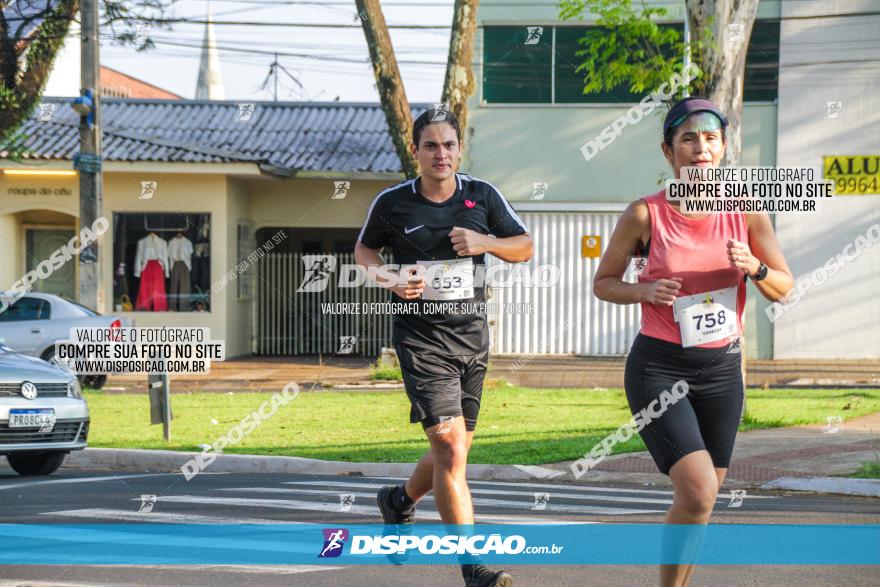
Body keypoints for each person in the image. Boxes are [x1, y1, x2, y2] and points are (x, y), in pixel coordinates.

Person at [593, 96, 794, 587]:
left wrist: (757, 268)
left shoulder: (747, 214)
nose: (700, 147)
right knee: (700, 491)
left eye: (709, 138)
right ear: (669, 152)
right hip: (659, 369)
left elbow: (784, 286)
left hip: (722, 371)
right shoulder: (645, 214)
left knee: (699, 500)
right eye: (688, 138)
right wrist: (643, 290)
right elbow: (604, 282)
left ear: (723, 147)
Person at [355, 107, 533, 587]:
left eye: (448, 144)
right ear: (416, 151)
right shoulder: (393, 204)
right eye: (430, 145)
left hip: (472, 337)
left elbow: (524, 246)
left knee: (453, 452)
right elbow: (364, 252)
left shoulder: (482, 196)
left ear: (459, 148)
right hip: (421, 339)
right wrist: (390, 278)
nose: (441, 153)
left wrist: (485, 241)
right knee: (452, 450)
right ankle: (473, 567)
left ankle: (400, 500)